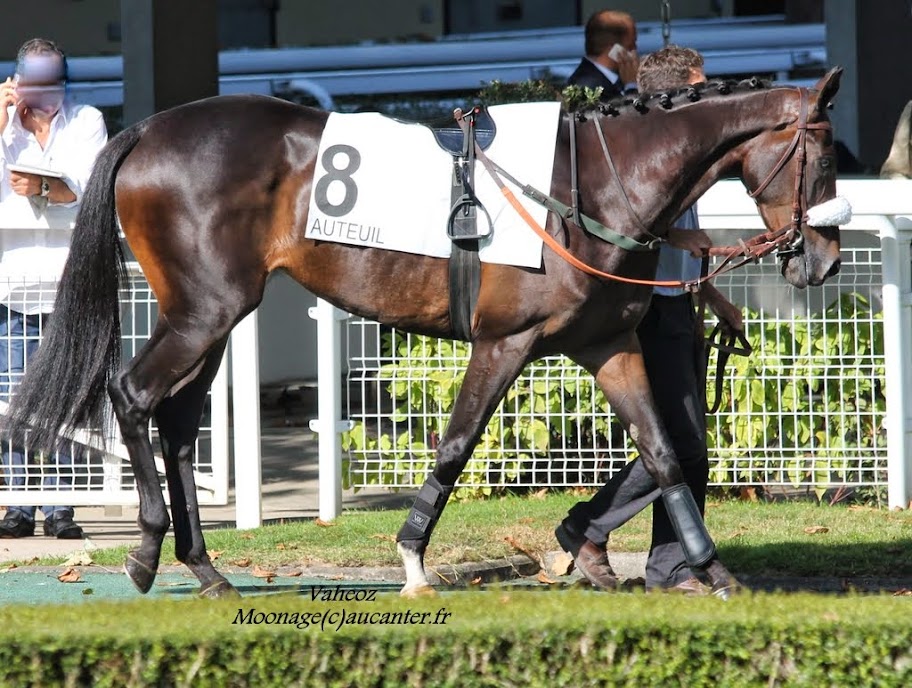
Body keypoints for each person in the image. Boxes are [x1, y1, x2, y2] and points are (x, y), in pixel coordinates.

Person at [555, 45, 745, 594]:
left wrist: (714, 299)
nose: (709, 91)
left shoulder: (683, 144)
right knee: (679, 446)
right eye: (700, 83)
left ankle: (669, 567)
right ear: (675, 89)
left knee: (687, 448)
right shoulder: (634, 145)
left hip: (678, 302)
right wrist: (677, 237)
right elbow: (606, 219)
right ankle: (588, 528)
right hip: (646, 308)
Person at [0, 38, 108, 539]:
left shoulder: (86, 121)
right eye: (35, 82)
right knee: (14, 401)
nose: (46, 93)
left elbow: (89, 194)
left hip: (70, 285)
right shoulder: (3, 127)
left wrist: (45, 189)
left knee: (65, 399)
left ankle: (61, 510)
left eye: (54, 82)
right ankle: (18, 507)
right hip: (13, 286)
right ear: (16, 80)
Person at [567, 9, 640, 98]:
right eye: (631, 46)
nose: (635, 50)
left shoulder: (617, 80)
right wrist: (631, 87)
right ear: (615, 50)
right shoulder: (587, 89)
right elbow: (630, 111)